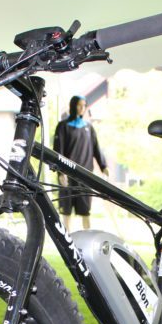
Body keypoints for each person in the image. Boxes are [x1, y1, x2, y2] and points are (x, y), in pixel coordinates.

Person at [53, 95, 108, 231]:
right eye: (79, 105)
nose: (82, 108)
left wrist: (103, 166)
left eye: (84, 105)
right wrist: (60, 172)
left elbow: (96, 148)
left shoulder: (89, 128)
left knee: (85, 211)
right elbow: (58, 151)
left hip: (85, 175)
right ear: (73, 106)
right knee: (66, 211)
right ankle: (67, 239)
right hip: (67, 175)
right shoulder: (63, 126)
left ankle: (87, 236)